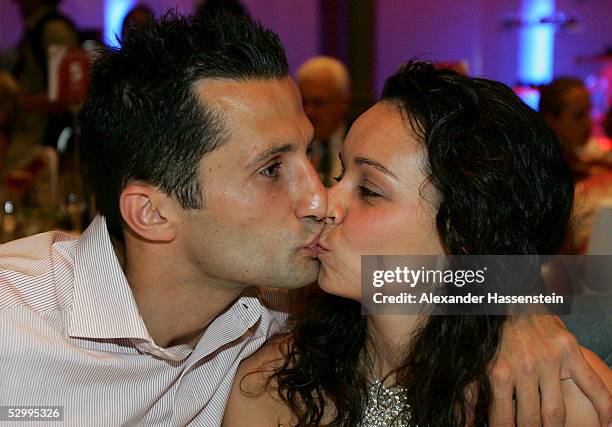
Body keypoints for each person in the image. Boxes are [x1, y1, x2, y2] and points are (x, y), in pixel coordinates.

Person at [0, 13, 608, 425]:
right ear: (152, 212)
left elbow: (582, 280)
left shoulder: (270, 305)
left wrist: (512, 299)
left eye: (315, 158)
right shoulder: (14, 325)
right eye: (271, 169)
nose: (320, 199)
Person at [224, 61, 612, 426]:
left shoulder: (560, 398)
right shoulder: (273, 385)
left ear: (461, 231)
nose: (326, 202)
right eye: (340, 173)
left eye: (369, 190)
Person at [297, 56, 350, 186]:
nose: (309, 111)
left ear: (343, 102)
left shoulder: (360, 143)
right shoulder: (292, 147)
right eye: (304, 102)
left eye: (319, 103)